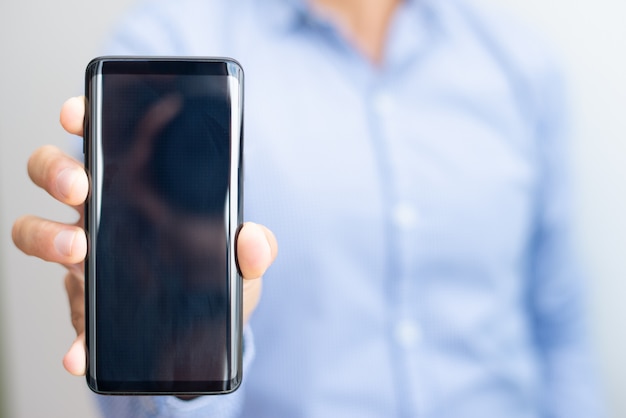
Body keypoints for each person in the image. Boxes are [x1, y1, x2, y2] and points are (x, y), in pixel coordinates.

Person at [12, 0, 604, 416]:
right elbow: (151, 408)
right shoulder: (163, 45)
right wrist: (161, 329)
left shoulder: (521, 62)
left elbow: (560, 321)